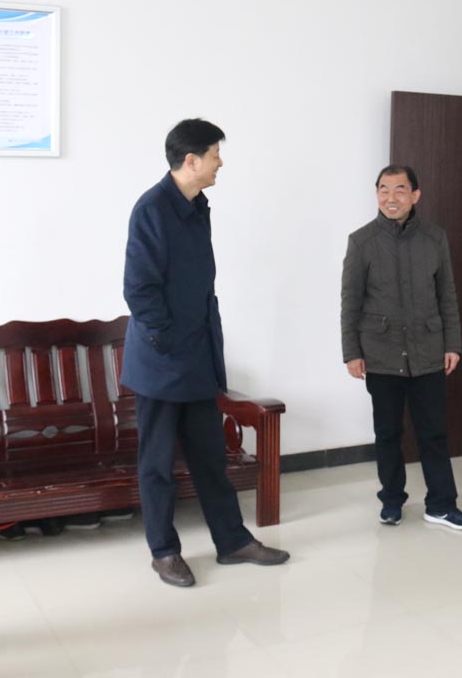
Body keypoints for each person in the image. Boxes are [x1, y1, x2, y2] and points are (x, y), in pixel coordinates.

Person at [122, 118, 288, 588]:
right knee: (157, 464)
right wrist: (168, 342)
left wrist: (199, 347)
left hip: (196, 357)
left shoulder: (197, 207)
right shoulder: (152, 209)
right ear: (191, 160)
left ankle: (232, 541)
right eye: (215, 155)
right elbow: (139, 289)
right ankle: (164, 552)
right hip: (160, 361)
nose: (221, 163)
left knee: (210, 456)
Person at [340, 165, 462, 530]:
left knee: (434, 432)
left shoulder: (434, 238)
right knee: (388, 433)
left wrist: (453, 343)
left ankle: (441, 505)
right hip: (381, 354)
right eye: (383, 189)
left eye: (400, 190)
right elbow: (350, 302)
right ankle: (391, 500)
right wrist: (352, 352)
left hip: (428, 351)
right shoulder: (362, 242)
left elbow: (447, 295)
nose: (391, 197)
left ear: (415, 195)